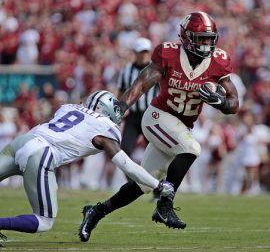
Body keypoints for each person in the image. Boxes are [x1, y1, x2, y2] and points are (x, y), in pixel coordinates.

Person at [79, 11, 239, 242]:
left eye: (208, 38)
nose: (206, 44)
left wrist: (222, 103)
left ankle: (95, 211)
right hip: (156, 117)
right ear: (185, 37)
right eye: (200, 38)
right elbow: (142, 84)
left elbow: (234, 103)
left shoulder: (218, 60)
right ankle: (165, 205)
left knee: (142, 184)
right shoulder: (168, 54)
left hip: (179, 126)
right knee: (191, 148)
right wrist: (121, 110)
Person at [0, 90, 174, 240]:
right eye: (114, 112)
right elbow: (127, 165)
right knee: (44, 221)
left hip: (22, 141)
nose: (117, 118)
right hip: (40, 154)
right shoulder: (105, 128)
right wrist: (157, 185)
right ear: (104, 109)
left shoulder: (69, 107)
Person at [117, 37, 159, 159]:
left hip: (150, 114)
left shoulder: (155, 69)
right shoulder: (126, 70)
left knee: (155, 148)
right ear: (134, 52)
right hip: (133, 115)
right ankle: (131, 178)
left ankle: (157, 177)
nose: (143, 55)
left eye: (145, 52)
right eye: (140, 52)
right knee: (124, 148)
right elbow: (121, 91)